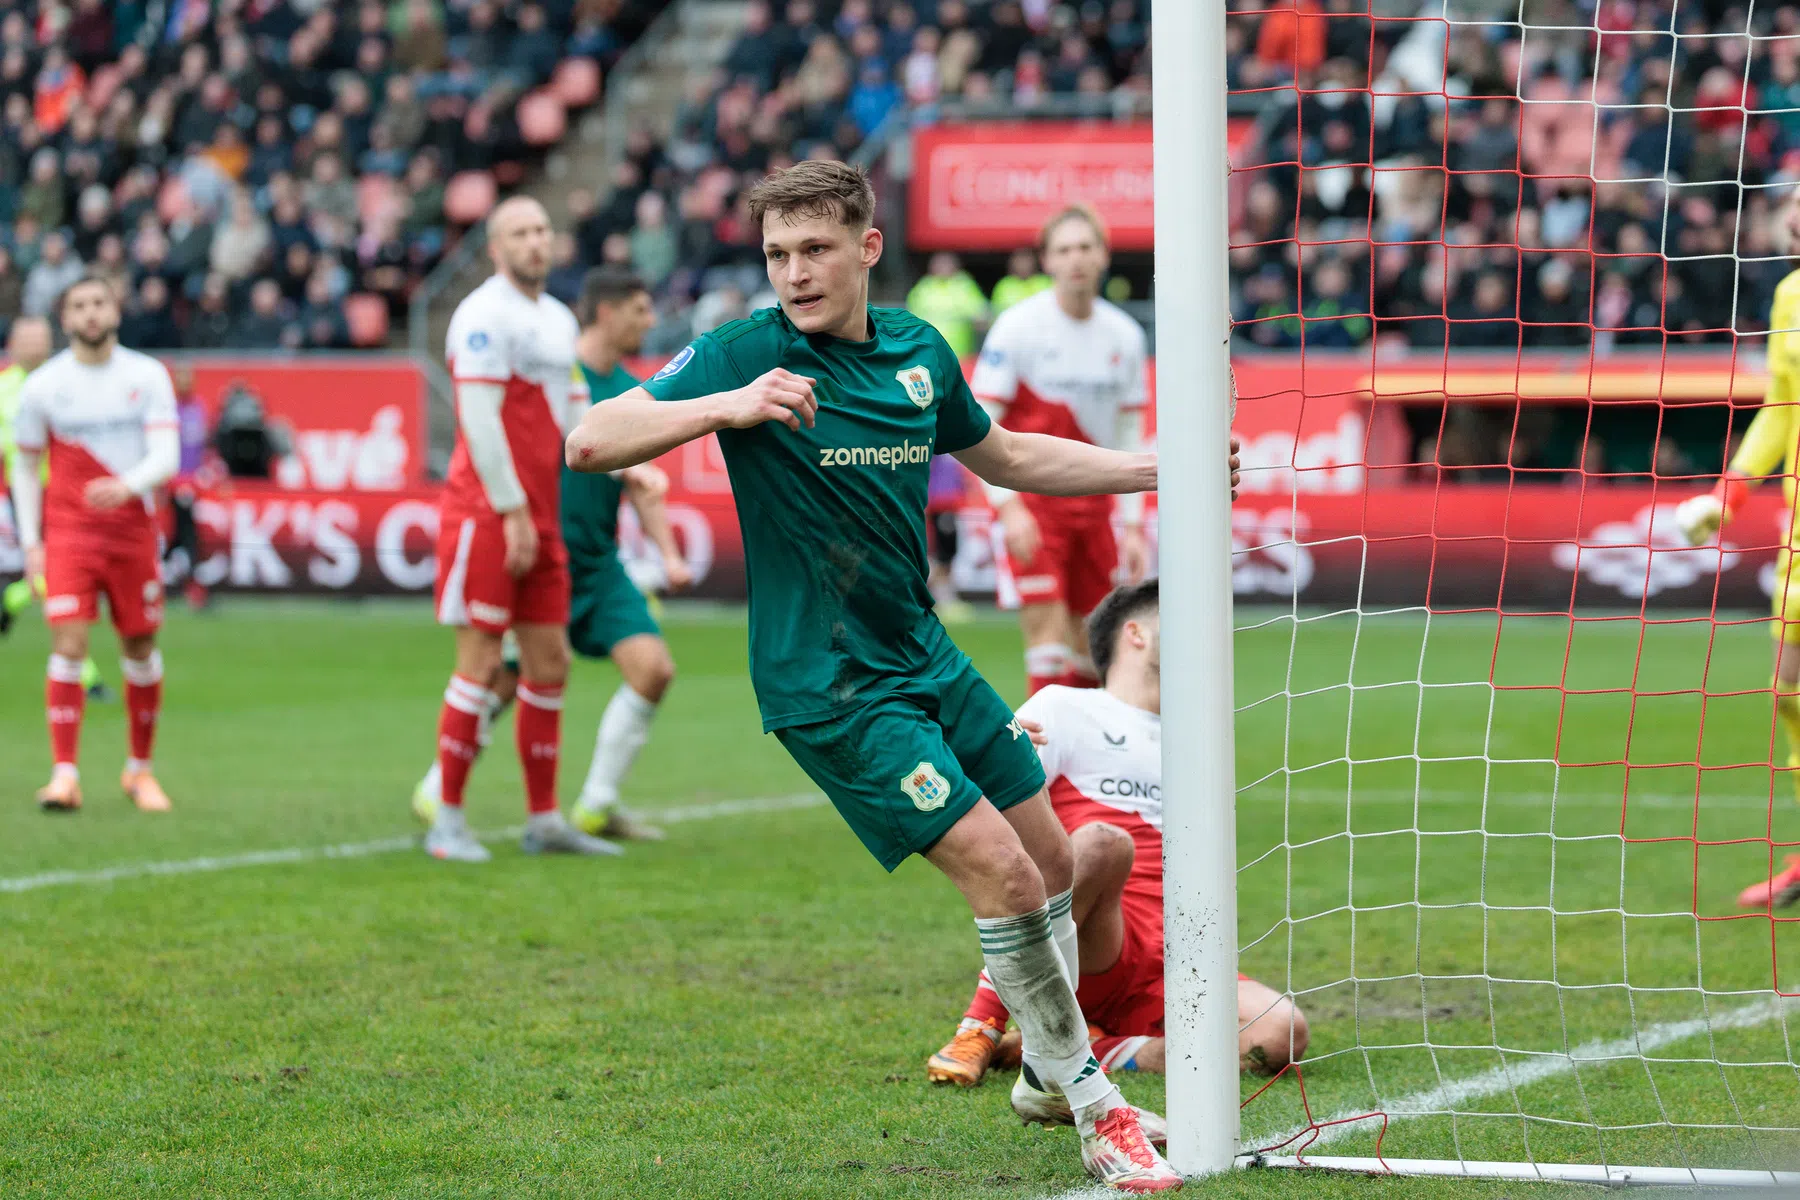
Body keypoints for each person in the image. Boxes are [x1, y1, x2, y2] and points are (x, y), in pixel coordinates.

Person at [566, 161, 1182, 1193]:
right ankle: (1094, 1109)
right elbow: (591, 439)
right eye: (777, 254)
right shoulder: (746, 350)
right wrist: (728, 405)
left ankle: (1043, 1075)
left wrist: (1156, 469)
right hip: (831, 684)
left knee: (1056, 861)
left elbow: (1008, 456)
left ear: (867, 247)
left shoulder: (918, 350)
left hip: (921, 653)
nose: (794, 273)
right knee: (1004, 874)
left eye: (814, 249)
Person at [926, 581, 1308, 1087]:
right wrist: (987, 757)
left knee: (1280, 1034)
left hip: (1171, 953)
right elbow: (993, 827)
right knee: (1104, 843)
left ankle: (1091, 1046)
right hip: (1088, 935)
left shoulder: (1199, 741)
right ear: (1136, 634)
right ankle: (982, 1024)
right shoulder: (1063, 707)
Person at [413, 266, 693, 842]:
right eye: (640, 309)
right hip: (540, 551)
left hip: (598, 565)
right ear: (607, 312)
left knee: (653, 670)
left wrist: (669, 555)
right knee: (499, 679)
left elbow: (641, 483)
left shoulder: (631, 393)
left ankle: (594, 807)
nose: (650, 321)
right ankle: (439, 789)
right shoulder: (552, 374)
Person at [424, 196, 617, 862]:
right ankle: (447, 820)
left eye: (542, 230)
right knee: (479, 663)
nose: (536, 241)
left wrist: (629, 467)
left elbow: (577, 414)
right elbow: (478, 421)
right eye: (520, 233)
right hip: (486, 515)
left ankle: (543, 821)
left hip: (540, 516)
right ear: (495, 249)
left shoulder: (558, 319)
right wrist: (510, 510)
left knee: (550, 661)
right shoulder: (481, 315)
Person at [9, 274, 180, 812]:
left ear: (115, 311)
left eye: (99, 303)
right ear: (65, 318)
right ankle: (64, 776)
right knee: (68, 645)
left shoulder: (146, 375)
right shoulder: (44, 386)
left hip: (132, 532)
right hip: (69, 535)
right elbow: (25, 464)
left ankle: (139, 770)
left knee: (140, 648)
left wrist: (127, 485)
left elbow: (167, 455)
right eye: (79, 305)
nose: (90, 313)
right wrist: (31, 541)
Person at [1676, 185, 1800, 909]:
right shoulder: (1789, 295)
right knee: (1789, 688)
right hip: (1799, 529)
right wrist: (1730, 493)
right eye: (1791, 203)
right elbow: (1781, 407)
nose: (1793, 216)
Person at [972, 205, 1151, 696]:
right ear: (1047, 260)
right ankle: (1041, 747)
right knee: (1046, 639)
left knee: (1093, 645)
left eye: (1085, 247)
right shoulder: (1018, 327)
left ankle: (1078, 743)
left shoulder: (1126, 336)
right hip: (1035, 502)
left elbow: (1129, 436)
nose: (1076, 258)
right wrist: (1008, 509)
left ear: (1104, 256)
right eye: (1064, 249)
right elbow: (978, 425)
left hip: (1096, 505)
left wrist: (1133, 526)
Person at [0, 316, 111, 695]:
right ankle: (85, 673)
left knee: (58, 574)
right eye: (28, 338)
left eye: (41, 338)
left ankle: (12, 597)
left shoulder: (65, 384)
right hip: (28, 494)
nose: (35, 345)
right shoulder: (4, 389)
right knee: (57, 576)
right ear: (12, 344)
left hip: (70, 493)